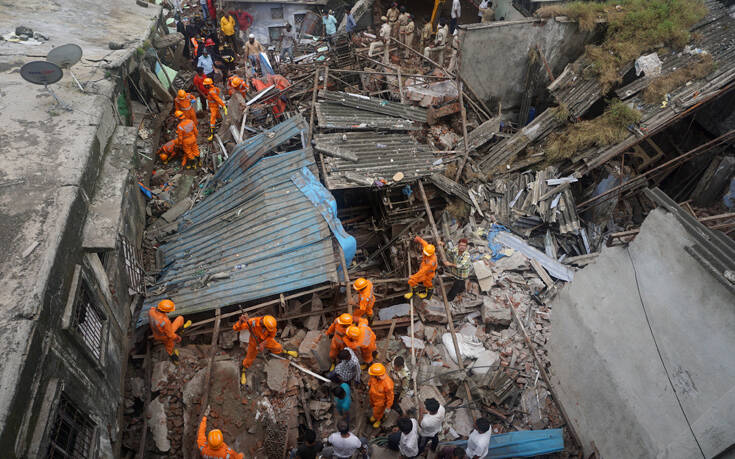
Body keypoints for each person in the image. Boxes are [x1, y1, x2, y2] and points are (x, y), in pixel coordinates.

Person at [232, 314, 298, 384]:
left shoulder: (271, 326)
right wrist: (240, 321)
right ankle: (244, 369)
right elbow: (235, 328)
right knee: (249, 358)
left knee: (278, 347)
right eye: (267, 328)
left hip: (266, 340)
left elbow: (271, 335)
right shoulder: (252, 322)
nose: (268, 330)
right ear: (263, 324)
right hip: (254, 342)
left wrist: (263, 344)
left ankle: (284, 351)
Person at [405, 235, 437, 300]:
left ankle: (427, 296)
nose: (424, 254)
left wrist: (413, 276)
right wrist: (418, 239)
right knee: (422, 283)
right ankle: (417, 293)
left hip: (428, 274)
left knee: (423, 283)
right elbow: (424, 242)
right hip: (425, 271)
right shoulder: (428, 248)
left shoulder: (431, 262)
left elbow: (422, 272)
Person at [367, 363, 394, 428]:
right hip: (372, 397)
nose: (371, 375)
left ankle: (378, 419)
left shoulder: (388, 384)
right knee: (373, 408)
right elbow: (370, 381)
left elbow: (390, 397)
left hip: (380, 402)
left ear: (378, 376)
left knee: (378, 412)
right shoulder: (374, 377)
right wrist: (368, 385)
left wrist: (388, 407)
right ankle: (375, 416)